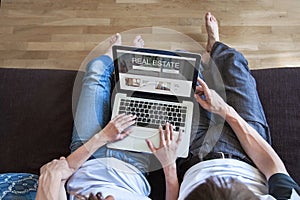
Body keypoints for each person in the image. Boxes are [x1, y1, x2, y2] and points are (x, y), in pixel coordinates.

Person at [36, 34, 182, 200]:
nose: (110, 197)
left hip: (86, 154)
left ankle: (112, 54)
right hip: (132, 162)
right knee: (145, 88)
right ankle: (132, 56)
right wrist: (169, 164)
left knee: (96, 70)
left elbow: (61, 169)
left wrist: (103, 137)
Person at [176, 12, 300, 200]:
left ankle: (207, 60)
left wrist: (169, 165)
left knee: (183, 66)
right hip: (250, 158)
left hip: (195, 156)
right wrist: (225, 111)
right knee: (233, 63)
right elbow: (275, 168)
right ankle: (215, 45)